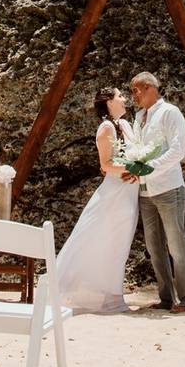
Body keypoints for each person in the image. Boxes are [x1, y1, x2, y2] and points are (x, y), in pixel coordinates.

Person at [56, 87, 139, 314]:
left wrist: (139, 165)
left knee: (119, 244)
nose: (124, 99)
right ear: (109, 102)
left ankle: (111, 294)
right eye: (120, 96)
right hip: (114, 194)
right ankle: (102, 296)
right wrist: (135, 168)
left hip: (129, 192)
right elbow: (106, 165)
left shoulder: (125, 125)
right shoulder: (106, 128)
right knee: (102, 241)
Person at [127, 72, 185, 314]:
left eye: (134, 91)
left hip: (169, 188)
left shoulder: (170, 112)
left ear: (148, 87)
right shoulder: (138, 117)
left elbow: (178, 151)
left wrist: (150, 166)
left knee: (176, 245)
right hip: (145, 192)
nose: (132, 96)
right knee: (154, 247)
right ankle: (166, 297)